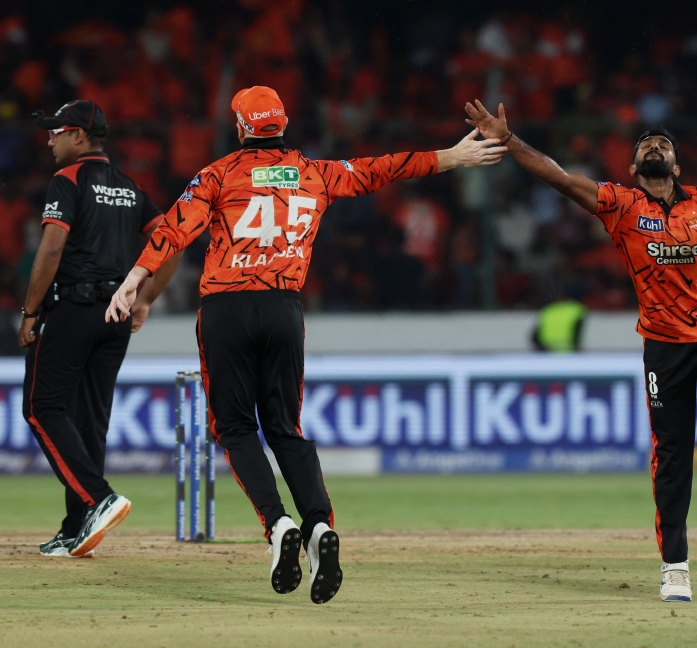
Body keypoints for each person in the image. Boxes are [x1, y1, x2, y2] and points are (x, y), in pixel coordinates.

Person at [106, 86, 506, 604]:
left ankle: (277, 526)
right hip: (283, 309)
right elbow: (381, 168)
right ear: (284, 121)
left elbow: (175, 233)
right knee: (284, 428)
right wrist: (451, 156)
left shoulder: (218, 174)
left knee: (233, 427)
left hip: (227, 309)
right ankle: (319, 526)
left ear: (242, 126)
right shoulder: (315, 173)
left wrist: (132, 280)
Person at [465, 100, 697, 603]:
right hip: (663, 346)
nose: (655, 147)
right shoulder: (620, 204)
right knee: (671, 454)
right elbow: (560, 177)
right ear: (634, 169)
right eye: (645, 147)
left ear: (677, 166)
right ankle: (675, 566)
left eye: (664, 146)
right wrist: (509, 139)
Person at [22, 100, 181, 559]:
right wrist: (146, 298)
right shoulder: (132, 189)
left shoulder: (67, 180)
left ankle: (98, 498)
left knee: (42, 407)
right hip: (115, 312)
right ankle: (77, 528)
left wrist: (31, 312)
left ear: (77, 136)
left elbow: (51, 250)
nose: (49, 139)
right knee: (90, 421)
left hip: (71, 309)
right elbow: (171, 244)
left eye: (56, 132)